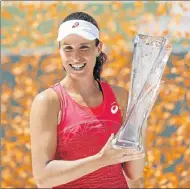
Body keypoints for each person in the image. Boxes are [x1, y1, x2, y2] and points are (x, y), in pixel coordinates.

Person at [30, 12, 146, 188]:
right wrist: (101, 159)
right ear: (59, 50)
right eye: (68, 48)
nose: (76, 57)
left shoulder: (120, 96)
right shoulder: (48, 102)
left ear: (98, 48)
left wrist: (141, 121)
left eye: (84, 47)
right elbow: (43, 178)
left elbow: (134, 173)